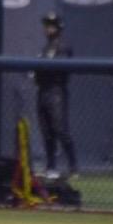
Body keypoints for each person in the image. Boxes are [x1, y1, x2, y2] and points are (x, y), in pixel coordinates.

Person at [33, 12, 78, 179]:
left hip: (56, 91)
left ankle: (73, 166)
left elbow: (58, 70)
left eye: (51, 25)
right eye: (46, 25)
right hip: (43, 90)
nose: (48, 29)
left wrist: (43, 69)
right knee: (46, 131)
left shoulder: (63, 46)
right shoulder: (46, 48)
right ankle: (51, 166)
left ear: (58, 27)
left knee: (60, 129)